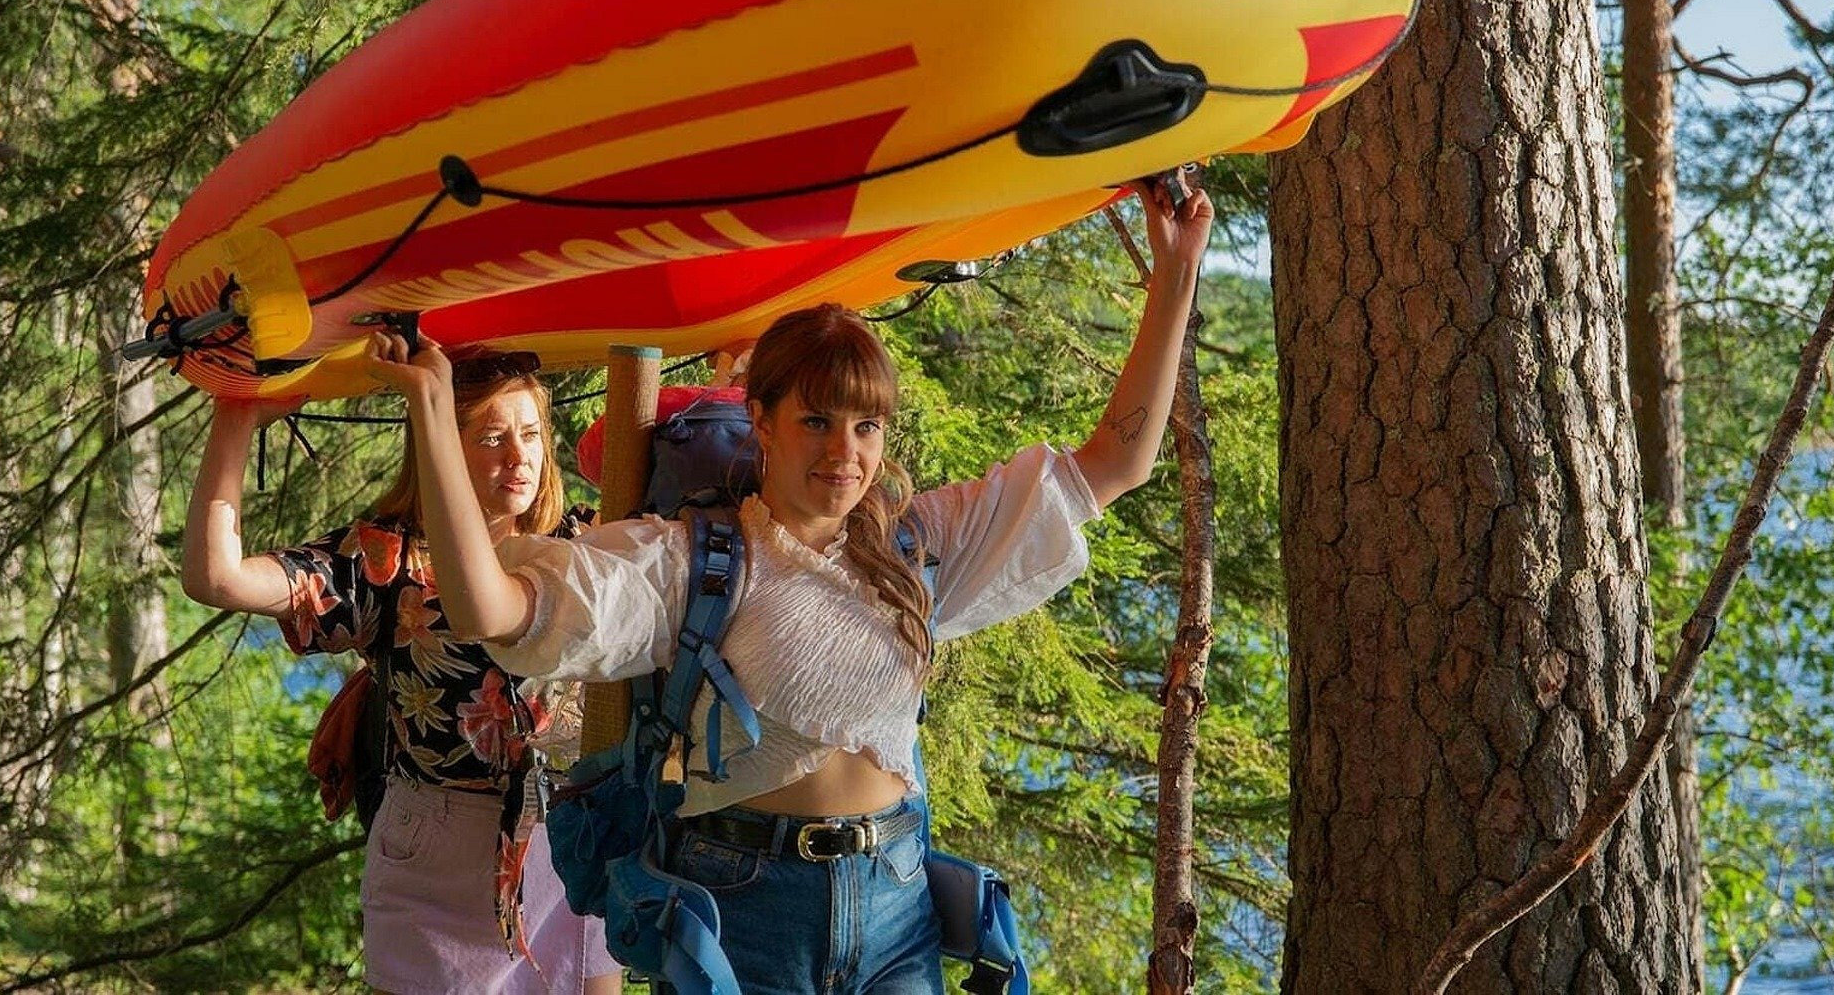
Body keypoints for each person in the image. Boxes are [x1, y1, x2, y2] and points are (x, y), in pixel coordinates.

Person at [370, 182, 1213, 993]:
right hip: (743, 918)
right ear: (760, 420)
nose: (844, 452)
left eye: (866, 426)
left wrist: (1175, 274)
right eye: (816, 420)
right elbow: (492, 610)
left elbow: (1116, 461)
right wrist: (434, 415)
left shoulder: (918, 544)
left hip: (898, 906)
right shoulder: (690, 561)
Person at [179, 353, 622, 995]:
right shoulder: (387, 560)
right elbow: (215, 578)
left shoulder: (587, 544)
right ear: (439, 442)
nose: (519, 458)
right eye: (492, 438)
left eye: (530, 434)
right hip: (435, 845)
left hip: (569, 840)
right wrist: (236, 416)